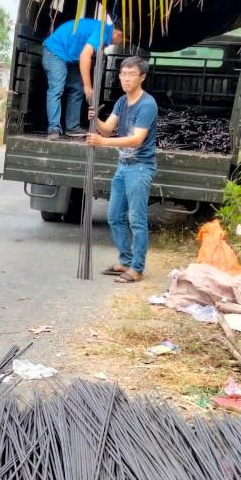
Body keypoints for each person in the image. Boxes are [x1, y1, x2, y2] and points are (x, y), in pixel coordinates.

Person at [87, 56, 158, 283]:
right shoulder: (121, 101)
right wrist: (96, 120)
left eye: (131, 75)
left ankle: (136, 269)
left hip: (140, 168)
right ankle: (125, 261)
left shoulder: (147, 104)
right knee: (114, 216)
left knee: (137, 220)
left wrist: (102, 142)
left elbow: (137, 139)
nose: (126, 79)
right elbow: (108, 129)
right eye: (123, 74)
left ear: (142, 77)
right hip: (123, 166)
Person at [41, 16, 120, 139]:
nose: (119, 43)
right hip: (55, 51)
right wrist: (88, 86)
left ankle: (72, 127)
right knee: (56, 89)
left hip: (69, 56)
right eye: (122, 41)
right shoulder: (102, 32)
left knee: (77, 88)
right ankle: (53, 129)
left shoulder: (104, 31)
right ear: (119, 34)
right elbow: (85, 55)